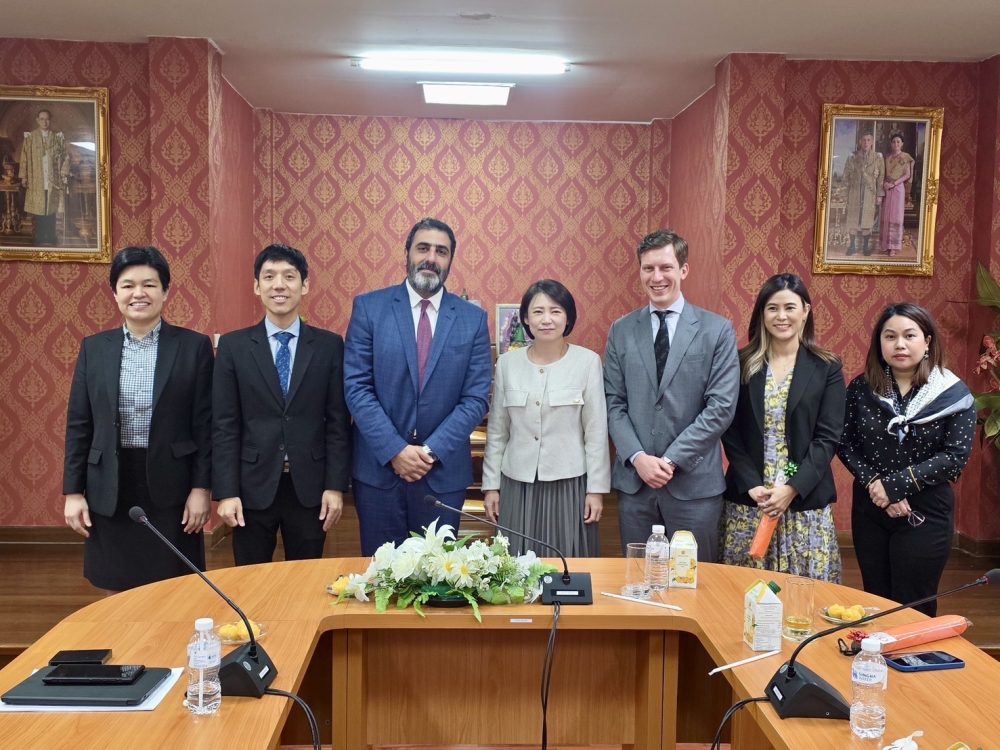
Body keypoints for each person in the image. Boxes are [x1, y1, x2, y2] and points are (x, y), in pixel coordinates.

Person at [63, 246, 213, 591]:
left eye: (149, 284)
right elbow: (79, 424)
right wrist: (73, 491)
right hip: (110, 482)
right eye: (128, 285)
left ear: (165, 291)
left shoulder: (193, 347)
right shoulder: (94, 348)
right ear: (115, 293)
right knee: (115, 586)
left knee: (174, 587)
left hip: (172, 483)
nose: (138, 293)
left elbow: (205, 425)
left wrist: (201, 488)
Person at [344, 218, 492, 556]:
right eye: (423, 248)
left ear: (451, 260)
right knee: (381, 575)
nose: (431, 258)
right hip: (379, 471)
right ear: (407, 253)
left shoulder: (472, 319)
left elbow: (475, 398)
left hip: (441, 475)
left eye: (441, 251)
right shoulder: (369, 308)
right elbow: (357, 387)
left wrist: (429, 451)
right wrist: (395, 450)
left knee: (437, 577)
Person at [604, 229, 739, 561]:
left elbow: (720, 408)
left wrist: (669, 461)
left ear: (684, 269)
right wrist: (638, 457)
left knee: (695, 579)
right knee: (638, 579)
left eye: (666, 267)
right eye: (648, 268)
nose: (657, 277)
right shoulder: (621, 330)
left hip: (694, 486)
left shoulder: (716, 330)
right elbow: (613, 402)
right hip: (636, 485)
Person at [213, 244, 350, 565]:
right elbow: (224, 425)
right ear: (256, 286)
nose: (279, 285)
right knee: (249, 579)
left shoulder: (329, 346)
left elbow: (338, 423)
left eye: (289, 276)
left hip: (310, 487)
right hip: (251, 486)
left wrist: (335, 486)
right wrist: (227, 491)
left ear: (304, 285)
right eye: (269, 276)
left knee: (305, 577)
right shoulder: (234, 347)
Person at [838, 303, 975, 616]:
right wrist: (876, 485)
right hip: (871, 508)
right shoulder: (861, 388)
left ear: (927, 342)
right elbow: (844, 443)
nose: (899, 344)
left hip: (925, 511)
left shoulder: (953, 393)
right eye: (890, 336)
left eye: (909, 335)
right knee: (876, 601)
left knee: (913, 605)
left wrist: (895, 487)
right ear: (880, 343)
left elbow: (954, 457)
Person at [721, 274, 845, 581]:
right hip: (752, 498)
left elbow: (827, 437)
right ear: (762, 314)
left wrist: (792, 488)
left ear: (805, 311)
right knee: (745, 591)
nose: (781, 316)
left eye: (790, 307)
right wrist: (752, 484)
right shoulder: (741, 363)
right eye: (772, 308)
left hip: (803, 500)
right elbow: (729, 431)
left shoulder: (827, 367)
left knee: (804, 594)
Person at [482, 279, 609, 556]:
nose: (547, 319)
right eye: (538, 312)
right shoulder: (507, 364)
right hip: (517, 483)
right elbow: (498, 432)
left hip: (568, 484)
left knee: (567, 560)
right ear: (526, 318)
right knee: (515, 562)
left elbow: (596, 432)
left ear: (568, 317)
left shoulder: (588, 362)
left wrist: (596, 490)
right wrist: (491, 486)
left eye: (556, 311)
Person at [18, 109, 70, 246]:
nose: (44, 122)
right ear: (37, 120)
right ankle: (40, 236)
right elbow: (24, 157)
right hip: (37, 179)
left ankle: (51, 236)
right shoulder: (30, 137)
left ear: (50, 120)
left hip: (53, 180)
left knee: (51, 208)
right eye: (42, 119)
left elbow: (65, 156)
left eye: (47, 119)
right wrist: (24, 176)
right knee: (39, 209)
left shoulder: (57, 138)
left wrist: (64, 174)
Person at [842, 131, 885, 257]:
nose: (866, 143)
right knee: (853, 218)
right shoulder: (852, 157)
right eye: (864, 140)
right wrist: (847, 192)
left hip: (869, 193)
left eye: (868, 140)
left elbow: (881, 177)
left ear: (872, 142)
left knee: (867, 220)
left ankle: (866, 247)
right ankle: (852, 246)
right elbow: (846, 176)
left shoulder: (877, 158)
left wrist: (879, 195)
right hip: (855, 193)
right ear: (860, 142)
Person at [880, 132, 915, 257]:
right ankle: (886, 244)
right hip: (887, 189)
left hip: (898, 189)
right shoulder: (887, 157)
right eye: (894, 142)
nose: (896, 144)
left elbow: (907, 175)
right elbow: (883, 174)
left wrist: (894, 184)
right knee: (886, 216)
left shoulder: (905, 157)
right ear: (891, 144)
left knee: (896, 217)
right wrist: (885, 184)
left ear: (902, 144)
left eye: (898, 142)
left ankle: (894, 247)